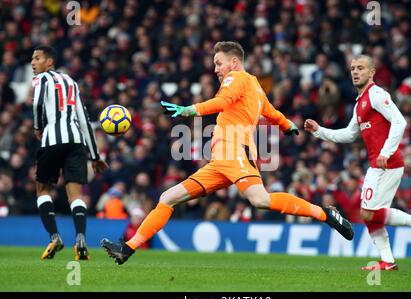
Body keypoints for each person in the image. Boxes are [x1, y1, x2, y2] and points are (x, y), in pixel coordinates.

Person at [101, 41, 354, 264]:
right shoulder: (254, 86)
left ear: (234, 62)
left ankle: (325, 214)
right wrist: (287, 125)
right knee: (168, 197)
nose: (215, 69)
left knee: (260, 200)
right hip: (219, 162)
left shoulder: (237, 78)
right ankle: (128, 248)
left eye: (218, 63)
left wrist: (190, 110)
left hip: (235, 152)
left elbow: (222, 102)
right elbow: (271, 112)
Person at [304, 55, 411, 271]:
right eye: (353, 68)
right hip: (376, 165)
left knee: (369, 213)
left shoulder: (376, 94)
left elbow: (399, 122)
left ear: (371, 72)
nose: (355, 72)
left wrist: (386, 152)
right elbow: (349, 134)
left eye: (360, 68)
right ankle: (387, 260)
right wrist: (319, 131)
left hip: (389, 163)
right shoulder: (360, 104)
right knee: (368, 214)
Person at [31, 45, 108, 260]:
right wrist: (95, 156)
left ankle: (54, 237)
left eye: (37, 58)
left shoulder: (41, 80)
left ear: (49, 62)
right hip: (75, 141)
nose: (33, 63)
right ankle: (81, 238)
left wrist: (37, 126)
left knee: (43, 189)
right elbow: (84, 120)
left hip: (52, 140)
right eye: (32, 59)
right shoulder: (72, 83)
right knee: (76, 194)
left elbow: (37, 103)